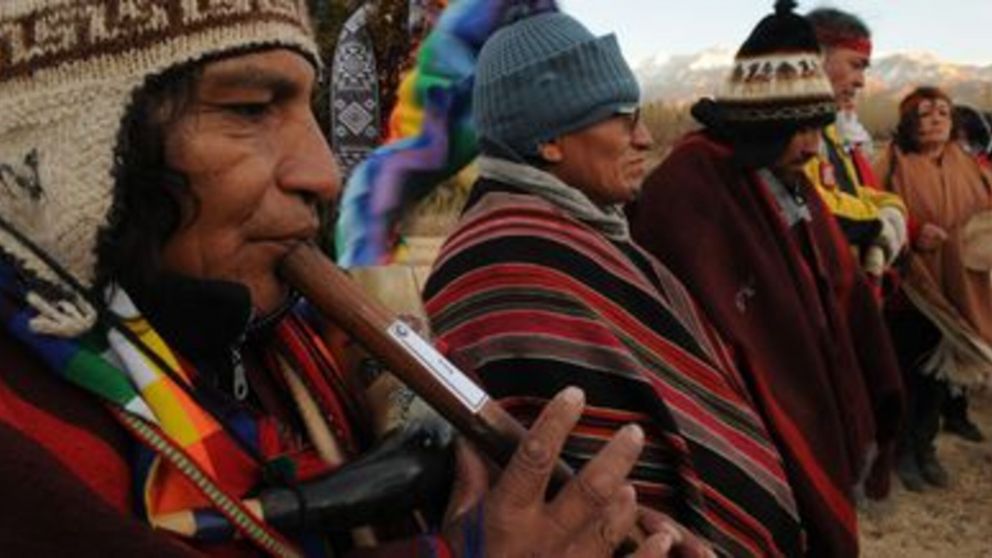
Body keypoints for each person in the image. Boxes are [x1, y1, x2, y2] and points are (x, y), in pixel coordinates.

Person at [0, 2, 688, 557]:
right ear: (73, 151)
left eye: (306, 107)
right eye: (248, 109)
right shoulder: (27, 443)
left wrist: (583, 515)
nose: (324, 173)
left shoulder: (289, 331)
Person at [423, 11, 804, 557]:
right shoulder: (512, 264)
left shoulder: (582, 234)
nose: (646, 138)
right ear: (550, 139)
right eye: (624, 119)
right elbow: (580, 478)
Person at [627, 1, 904, 556]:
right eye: (797, 128)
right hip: (737, 434)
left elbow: (834, 285)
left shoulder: (788, 175)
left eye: (817, 127)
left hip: (809, 403)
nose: (810, 145)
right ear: (763, 122)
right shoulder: (689, 186)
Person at [875, 87, 992, 491]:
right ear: (909, 123)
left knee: (940, 378)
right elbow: (875, 213)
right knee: (907, 371)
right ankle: (900, 453)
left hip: (958, 290)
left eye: (943, 111)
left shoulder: (970, 165)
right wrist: (910, 233)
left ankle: (926, 448)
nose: (937, 118)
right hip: (911, 288)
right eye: (925, 113)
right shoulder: (890, 162)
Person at [803, 7, 909, 290]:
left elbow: (849, 191)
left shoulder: (828, 131)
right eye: (856, 64)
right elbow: (815, 204)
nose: (862, 81)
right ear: (816, 57)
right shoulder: (789, 131)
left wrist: (893, 208)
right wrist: (879, 222)